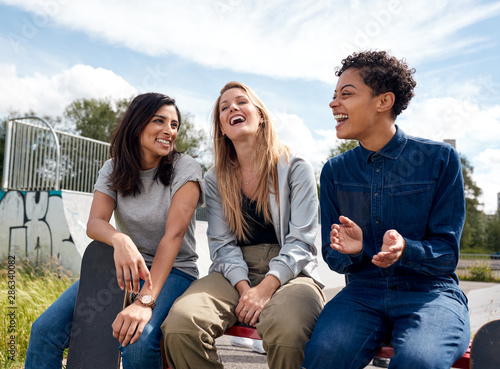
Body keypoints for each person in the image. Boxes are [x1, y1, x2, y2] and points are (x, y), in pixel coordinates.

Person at [302, 51, 470, 369]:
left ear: (384, 101)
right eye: (334, 95)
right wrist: (351, 252)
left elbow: (447, 254)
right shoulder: (334, 172)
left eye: (346, 94)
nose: (333, 103)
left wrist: (406, 249)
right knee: (323, 356)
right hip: (363, 291)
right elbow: (335, 258)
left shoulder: (440, 159)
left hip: (430, 293)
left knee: (419, 361)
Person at [25, 92, 203, 369]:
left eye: (174, 125)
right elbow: (95, 223)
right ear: (137, 123)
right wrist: (120, 239)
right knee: (44, 331)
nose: (169, 131)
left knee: (138, 341)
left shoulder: (186, 168)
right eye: (160, 121)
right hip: (125, 269)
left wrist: (144, 302)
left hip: (175, 270)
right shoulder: (113, 168)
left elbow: (174, 237)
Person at [162, 81, 325, 369]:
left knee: (288, 329)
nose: (232, 108)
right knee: (181, 324)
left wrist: (265, 289)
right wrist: (244, 289)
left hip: (292, 268)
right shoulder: (215, 179)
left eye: (241, 102)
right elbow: (222, 246)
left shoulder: (296, 166)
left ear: (260, 115)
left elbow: (302, 242)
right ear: (222, 128)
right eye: (224, 108)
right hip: (234, 270)